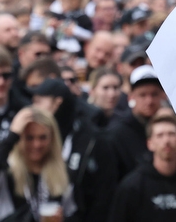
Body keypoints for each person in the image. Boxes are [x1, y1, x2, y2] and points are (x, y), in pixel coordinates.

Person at [31, 78, 117, 222]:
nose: (33, 107)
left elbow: (105, 195)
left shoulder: (91, 139)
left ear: (57, 103)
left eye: (38, 101)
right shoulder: (36, 137)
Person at [0, 106, 75, 222]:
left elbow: (74, 212)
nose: (36, 145)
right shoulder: (7, 170)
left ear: (52, 139)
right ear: (19, 138)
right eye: (29, 138)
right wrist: (11, 136)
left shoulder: (63, 173)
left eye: (43, 137)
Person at [108, 112, 176, 222]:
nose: (166, 141)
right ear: (150, 143)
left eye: (171, 134)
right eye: (160, 135)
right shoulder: (132, 188)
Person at [108, 65, 165, 181]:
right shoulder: (117, 133)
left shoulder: (171, 128)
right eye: (142, 95)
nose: (149, 101)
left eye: (154, 94)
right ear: (131, 97)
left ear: (163, 95)